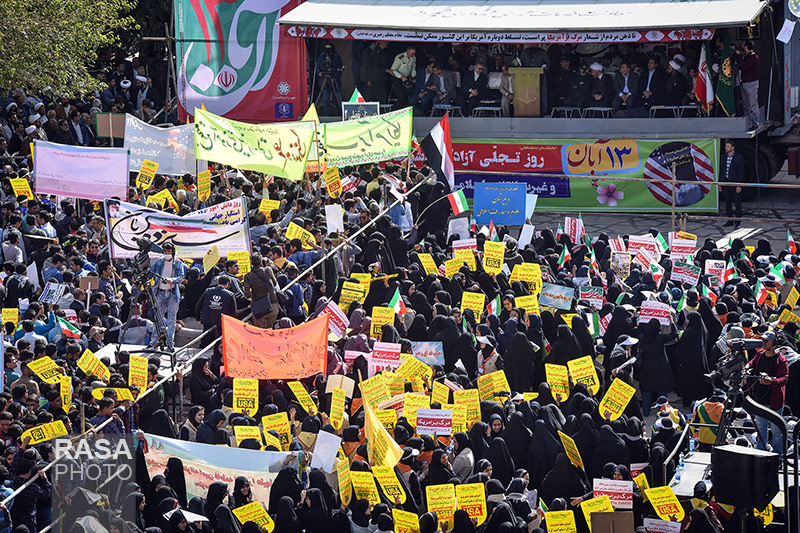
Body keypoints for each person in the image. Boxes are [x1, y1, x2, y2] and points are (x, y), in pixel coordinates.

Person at [746, 331, 789, 458]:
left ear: (774, 343)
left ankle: (778, 457)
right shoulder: (759, 354)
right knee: (760, 430)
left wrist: (771, 381)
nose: (763, 342)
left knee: (776, 432)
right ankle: (761, 455)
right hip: (760, 399)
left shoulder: (780, 360)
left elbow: (784, 379)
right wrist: (747, 367)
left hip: (774, 401)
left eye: (766, 340)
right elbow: (751, 363)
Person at [149, 242, 186, 347]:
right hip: (160, 293)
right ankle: (153, 343)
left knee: (171, 319)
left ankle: (170, 343)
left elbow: (180, 277)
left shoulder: (178, 263)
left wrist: (172, 280)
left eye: (168, 251)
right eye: (165, 251)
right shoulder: (159, 262)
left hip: (172, 294)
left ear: (172, 252)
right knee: (158, 318)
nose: (167, 253)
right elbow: (151, 274)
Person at [720, 140, 744, 228]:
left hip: (734, 182)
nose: (726, 149)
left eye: (728, 147)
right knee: (727, 202)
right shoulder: (723, 157)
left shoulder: (739, 158)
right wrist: (720, 184)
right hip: (726, 182)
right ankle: (729, 220)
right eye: (726, 147)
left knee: (737, 202)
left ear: (732, 148)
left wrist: (739, 185)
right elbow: (721, 171)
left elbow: (741, 172)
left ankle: (738, 220)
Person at [314, 44, 342, 117]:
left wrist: (334, 77)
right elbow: (318, 66)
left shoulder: (336, 57)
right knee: (325, 99)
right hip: (324, 80)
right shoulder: (321, 56)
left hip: (334, 80)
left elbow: (340, 69)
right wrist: (319, 72)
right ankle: (327, 116)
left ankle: (340, 115)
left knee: (337, 99)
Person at [740, 40, 759, 123]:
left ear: (746, 46)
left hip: (751, 83)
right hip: (744, 82)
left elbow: (745, 66)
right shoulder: (745, 56)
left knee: (753, 104)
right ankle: (748, 122)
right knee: (745, 104)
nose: (742, 46)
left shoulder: (753, 56)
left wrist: (739, 57)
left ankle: (756, 122)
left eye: (743, 45)